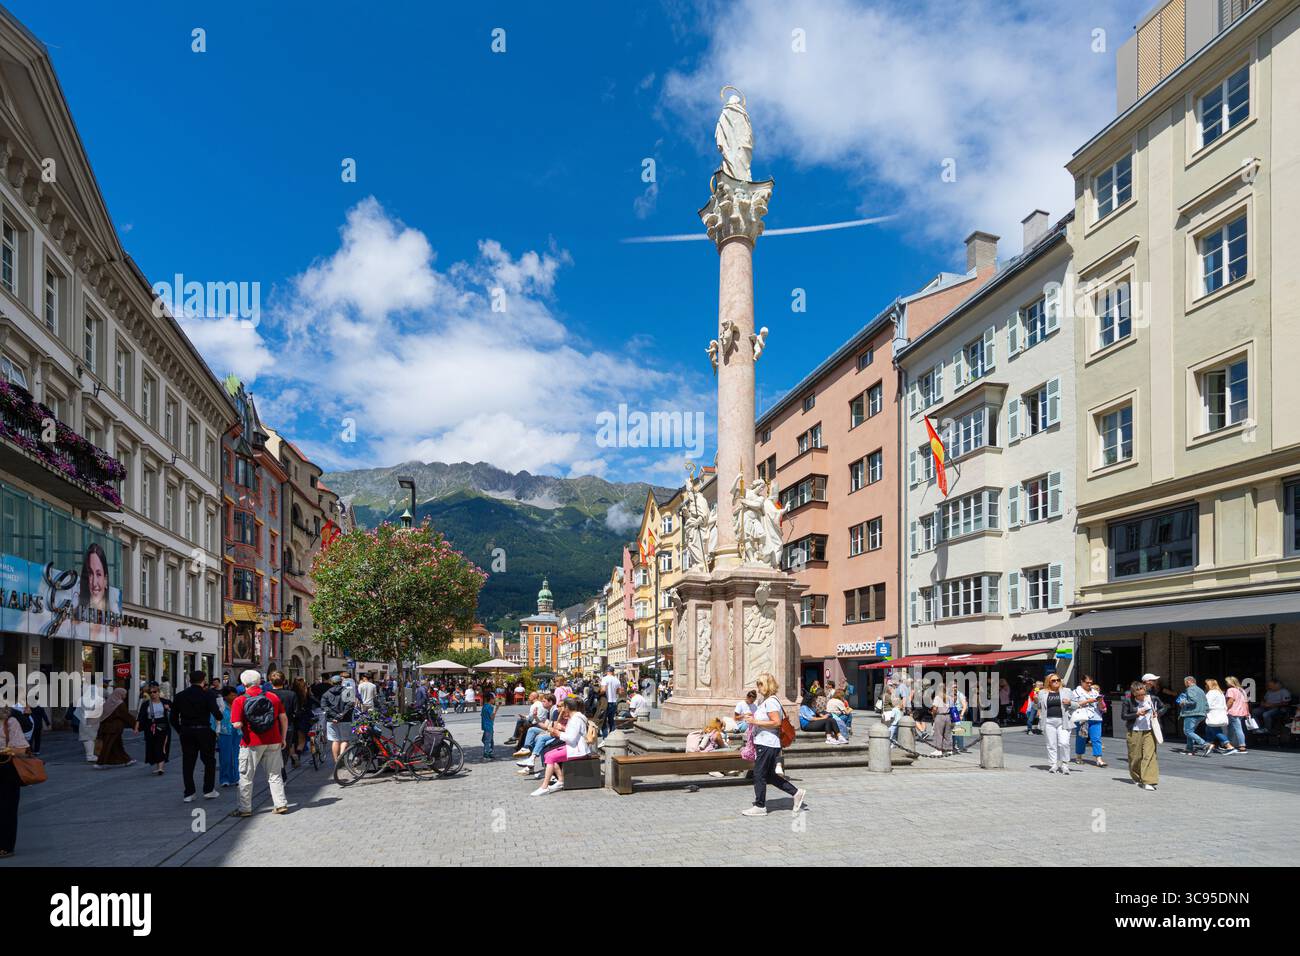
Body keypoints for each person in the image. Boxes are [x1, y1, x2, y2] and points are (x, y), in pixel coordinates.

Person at [744, 673, 805, 817]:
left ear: (765, 685)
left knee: (759, 774)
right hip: (767, 743)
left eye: (759, 685)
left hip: (767, 743)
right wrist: (753, 719)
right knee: (770, 775)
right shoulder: (766, 701)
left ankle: (760, 806)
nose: (758, 689)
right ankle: (796, 793)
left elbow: (776, 722)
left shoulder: (771, 701)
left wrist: (754, 722)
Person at [230, 669, 289, 817]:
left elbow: (236, 724)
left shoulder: (240, 700)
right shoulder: (272, 697)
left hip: (251, 742)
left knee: (246, 776)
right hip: (273, 740)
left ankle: (245, 808)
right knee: (275, 775)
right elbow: (283, 718)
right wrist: (283, 737)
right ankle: (280, 804)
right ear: (260, 681)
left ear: (243, 683)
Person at [171, 670, 223, 802]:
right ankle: (208, 790)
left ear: (189, 680)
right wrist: (220, 715)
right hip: (204, 730)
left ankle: (189, 793)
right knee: (209, 761)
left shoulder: (180, 696)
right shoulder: (208, 695)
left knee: (188, 762)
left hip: (187, 731)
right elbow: (217, 713)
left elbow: (172, 718)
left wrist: (180, 730)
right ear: (203, 680)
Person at [530, 697, 591, 796]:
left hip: (577, 749)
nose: (561, 709)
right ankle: (560, 780)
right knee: (547, 754)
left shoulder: (576, 719)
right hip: (574, 747)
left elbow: (571, 738)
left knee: (550, 756)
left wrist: (558, 733)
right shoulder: (575, 717)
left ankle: (544, 786)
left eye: (563, 707)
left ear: (567, 707)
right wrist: (560, 729)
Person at [0, 705, 29, 858]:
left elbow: (21, 749)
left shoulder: (9, 722)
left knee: (6, 809)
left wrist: (5, 750)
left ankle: (5, 846)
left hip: (5, 768)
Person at [1122, 681, 1161, 791]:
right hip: (1134, 731)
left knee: (1150, 755)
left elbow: (1164, 707)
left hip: (1149, 731)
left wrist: (1158, 713)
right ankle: (1137, 777)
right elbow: (1124, 716)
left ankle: (1149, 781)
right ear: (1133, 693)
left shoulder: (1152, 699)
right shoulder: (1128, 701)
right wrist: (1137, 714)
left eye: (1143, 694)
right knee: (1135, 757)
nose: (1141, 697)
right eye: (1138, 695)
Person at [1037, 673, 1075, 774]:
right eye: (1053, 680)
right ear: (1048, 682)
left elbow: (1077, 703)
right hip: (1048, 721)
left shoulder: (1067, 691)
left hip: (1063, 721)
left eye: (1058, 680)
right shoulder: (1042, 693)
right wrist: (1039, 712)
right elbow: (1039, 707)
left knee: (1064, 743)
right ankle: (1053, 764)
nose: (1056, 682)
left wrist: (1070, 703)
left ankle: (1065, 764)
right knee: (1051, 744)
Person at [134, 682, 172, 775]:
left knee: (161, 746)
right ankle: (158, 766)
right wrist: (136, 727)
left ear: (159, 692)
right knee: (152, 746)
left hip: (162, 727)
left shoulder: (165, 702)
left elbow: (176, 711)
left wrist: (169, 708)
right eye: (150, 692)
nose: (153, 694)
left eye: (155, 692)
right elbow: (140, 716)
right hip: (150, 727)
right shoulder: (146, 704)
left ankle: (161, 768)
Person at [95, 686, 135, 768]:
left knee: (116, 745)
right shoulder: (120, 704)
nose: (125, 696)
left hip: (106, 727)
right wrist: (136, 724)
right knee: (108, 745)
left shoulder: (108, 702)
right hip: (115, 728)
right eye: (124, 694)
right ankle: (100, 763)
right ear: (120, 694)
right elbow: (126, 716)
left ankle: (126, 760)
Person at [1071, 675, 1106, 767]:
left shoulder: (1095, 692)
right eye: (1087, 682)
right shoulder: (1075, 692)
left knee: (1096, 739)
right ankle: (1079, 756)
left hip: (1096, 717)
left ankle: (1099, 759)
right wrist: (1088, 701)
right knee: (1082, 738)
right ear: (1082, 682)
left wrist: (1100, 702)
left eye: (1091, 682)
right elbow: (1073, 705)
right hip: (1083, 718)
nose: (1089, 684)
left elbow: (1101, 707)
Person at [267, 671, 299, 768]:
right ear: (284, 681)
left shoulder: (266, 694)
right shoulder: (291, 694)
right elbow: (296, 712)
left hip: (270, 726)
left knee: (271, 752)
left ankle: (276, 771)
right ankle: (282, 768)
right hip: (288, 725)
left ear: (270, 682)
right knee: (285, 750)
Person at [320, 674, 355, 762]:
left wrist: (334, 715)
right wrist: (341, 715)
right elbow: (350, 705)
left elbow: (324, 706)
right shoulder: (347, 691)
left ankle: (336, 760)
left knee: (335, 740)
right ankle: (341, 755)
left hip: (331, 720)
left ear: (332, 683)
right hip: (345, 719)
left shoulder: (326, 693)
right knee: (345, 739)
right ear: (341, 682)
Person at [1202, 679, 1238, 755]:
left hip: (1214, 714)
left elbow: (1207, 704)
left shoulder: (1211, 693)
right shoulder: (1220, 692)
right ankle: (1208, 744)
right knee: (1208, 728)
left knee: (1216, 731)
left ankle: (1229, 746)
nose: (1205, 686)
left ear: (1209, 685)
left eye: (1206, 684)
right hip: (1220, 713)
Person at [1177, 676, 1210, 756]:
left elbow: (1193, 701)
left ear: (1188, 682)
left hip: (1192, 713)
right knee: (1190, 731)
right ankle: (1189, 749)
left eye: (1185, 682)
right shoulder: (1201, 690)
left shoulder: (1190, 689)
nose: (1185, 684)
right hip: (1201, 713)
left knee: (1187, 731)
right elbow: (1206, 704)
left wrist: (1183, 702)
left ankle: (1204, 744)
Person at [75, 680, 105, 763]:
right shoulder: (99, 699)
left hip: (84, 721)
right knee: (93, 738)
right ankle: (91, 755)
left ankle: (89, 755)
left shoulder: (81, 699)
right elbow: (104, 710)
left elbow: (78, 711)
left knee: (86, 738)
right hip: (95, 721)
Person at [217, 686, 241, 788]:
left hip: (238, 732)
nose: (234, 697)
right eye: (232, 695)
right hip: (224, 732)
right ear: (225, 696)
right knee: (225, 757)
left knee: (238, 756)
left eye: (235, 694)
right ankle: (224, 778)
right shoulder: (220, 706)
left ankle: (237, 778)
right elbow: (214, 718)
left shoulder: (239, 704)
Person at [1225, 676, 1251, 754]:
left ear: (1230, 682)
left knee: (1237, 729)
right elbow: (1246, 702)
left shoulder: (1230, 690)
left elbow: (1230, 701)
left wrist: (1225, 709)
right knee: (1231, 728)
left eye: (1227, 682)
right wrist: (1247, 712)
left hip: (1233, 712)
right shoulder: (1242, 690)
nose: (1226, 683)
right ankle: (1230, 745)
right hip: (1241, 712)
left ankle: (1242, 746)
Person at [599, 667, 622, 737]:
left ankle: (605, 737)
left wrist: (598, 693)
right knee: (611, 720)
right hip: (614, 702)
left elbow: (603, 690)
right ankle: (612, 736)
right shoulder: (617, 680)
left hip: (606, 702)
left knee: (603, 720)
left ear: (607, 671)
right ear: (613, 672)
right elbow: (619, 692)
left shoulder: (605, 678)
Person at [480, 687, 496, 760]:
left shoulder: (484, 706)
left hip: (485, 725)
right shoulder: (490, 707)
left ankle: (490, 752)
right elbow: (492, 717)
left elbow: (482, 715)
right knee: (488, 740)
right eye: (494, 699)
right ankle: (487, 753)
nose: (494, 700)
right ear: (491, 699)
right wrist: (497, 708)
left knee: (487, 739)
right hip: (489, 726)